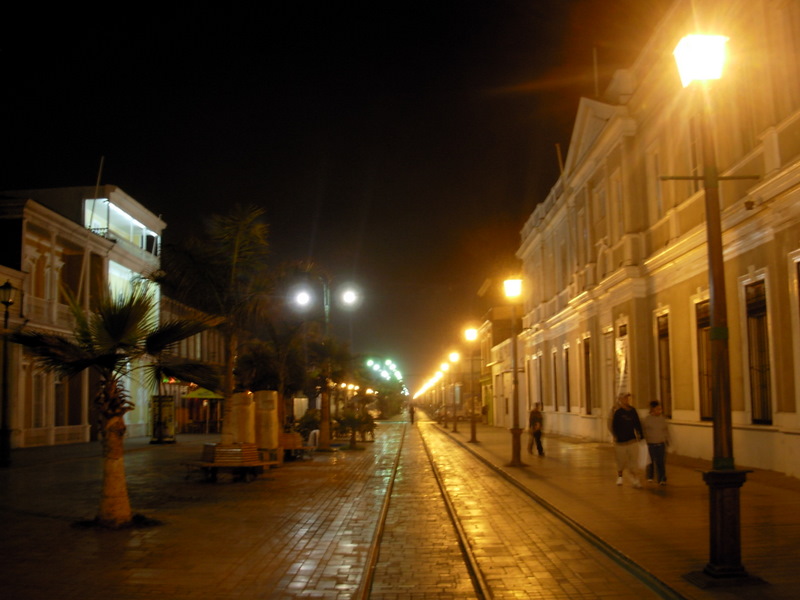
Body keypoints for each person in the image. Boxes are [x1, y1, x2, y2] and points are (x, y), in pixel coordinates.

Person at [609, 392, 644, 487]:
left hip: (632, 440)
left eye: (627, 398)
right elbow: (613, 425)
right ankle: (620, 476)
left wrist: (640, 434)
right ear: (620, 400)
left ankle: (635, 479)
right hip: (620, 441)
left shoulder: (632, 411)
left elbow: (637, 423)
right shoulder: (617, 412)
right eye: (624, 398)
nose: (626, 400)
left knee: (633, 461)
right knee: (620, 460)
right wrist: (616, 436)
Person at [643, 400, 669, 485]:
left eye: (660, 409)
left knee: (661, 462)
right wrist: (644, 440)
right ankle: (650, 476)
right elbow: (644, 431)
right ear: (652, 409)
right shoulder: (647, 419)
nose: (659, 411)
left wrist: (667, 439)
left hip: (661, 443)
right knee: (650, 461)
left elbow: (666, 430)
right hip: (651, 444)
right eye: (658, 409)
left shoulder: (662, 419)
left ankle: (662, 479)